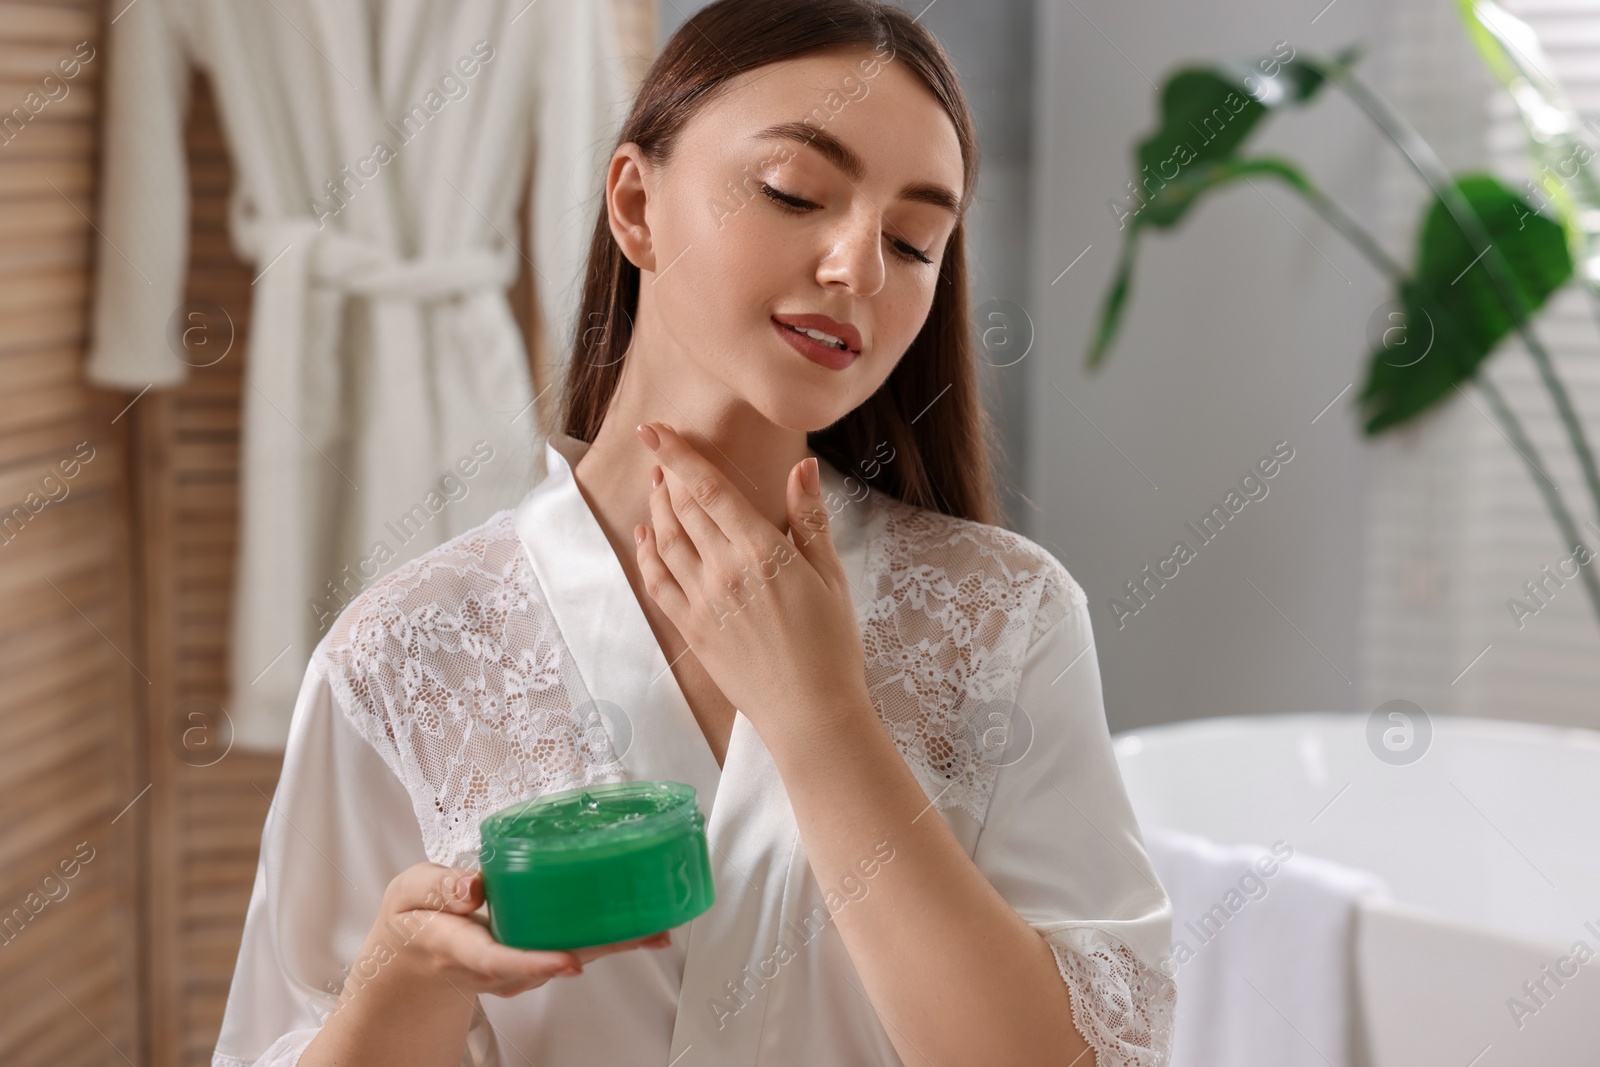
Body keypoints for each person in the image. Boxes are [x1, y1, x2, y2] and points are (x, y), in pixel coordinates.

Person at [211, 2, 1176, 1064]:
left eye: (913, 241)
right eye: (794, 192)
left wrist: (822, 721)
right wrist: (402, 976)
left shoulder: (1006, 617)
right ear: (634, 203)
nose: (859, 267)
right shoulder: (405, 652)